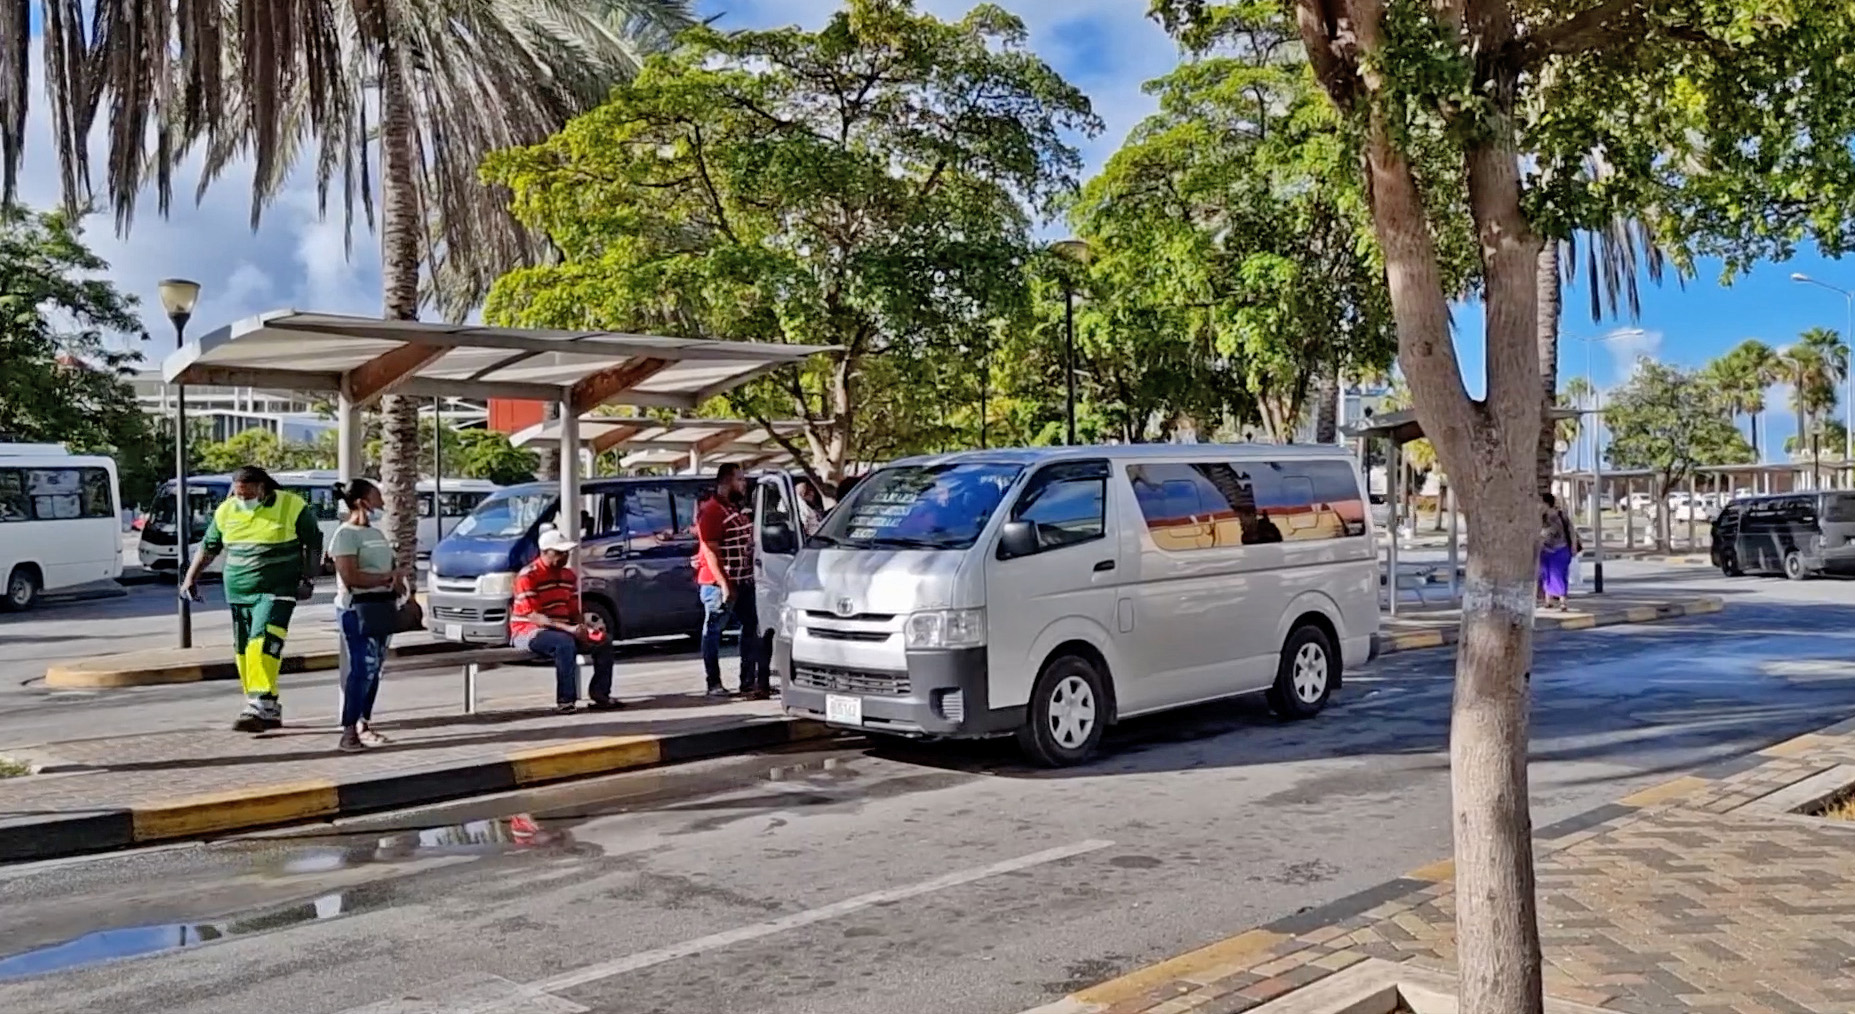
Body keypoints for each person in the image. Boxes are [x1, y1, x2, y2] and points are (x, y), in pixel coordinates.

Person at [179, 465, 322, 732]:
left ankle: (258, 701)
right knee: (244, 650)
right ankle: (266, 705)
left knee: (263, 640)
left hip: (277, 589)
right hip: (238, 590)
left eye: (247, 494)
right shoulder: (226, 510)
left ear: (262, 487)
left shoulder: (291, 505)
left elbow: (313, 542)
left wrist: (308, 579)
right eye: (238, 494)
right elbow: (209, 547)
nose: (242, 500)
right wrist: (191, 578)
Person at [327, 478, 409, 752]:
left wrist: (395, 580)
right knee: (361, 670)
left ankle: (364, 723)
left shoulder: (376, 534)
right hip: (357, 609)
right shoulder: (344, 535)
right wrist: (387, 577)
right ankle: (348, 730)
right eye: (376, 495)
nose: (382, 499)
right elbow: (350, 577)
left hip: (382, 607)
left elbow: (391, 568)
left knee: (375, 670)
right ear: (363, 501)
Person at [510, 528, 620, 713]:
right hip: (527, 631)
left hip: (562, 629)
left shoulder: (568, 576)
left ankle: (601, 695)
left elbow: (572, 609)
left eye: (566, 552)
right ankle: (565, 700)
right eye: (559, 553)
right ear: (545, 552)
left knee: (603, 641)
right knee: (564, 643)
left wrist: (582, 627)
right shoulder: (528, 576)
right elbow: (535, 616)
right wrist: (568, 630)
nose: (564, 557)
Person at [695, 463, 765, 699]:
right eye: (739, 479)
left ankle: (748, 681)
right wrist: (724, 584)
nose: (744, 484)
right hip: (720, 584)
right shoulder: (712, 510)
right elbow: (710, 550)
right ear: (726, 481)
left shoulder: (733, 509)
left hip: (744, 580)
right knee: (713, 631)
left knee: (751, 627)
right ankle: (713, 682)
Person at [1539, 492, 1580, 611]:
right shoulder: (1540, 517)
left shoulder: (1561, 515)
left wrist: (1573, 546)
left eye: (1541, 502)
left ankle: (1563, 601)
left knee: (1559, 574)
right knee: (1546, 574)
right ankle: (1548, 600)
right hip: (1545, 550)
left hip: (1561, 549)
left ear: (1546, 504)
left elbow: (1571, 530)